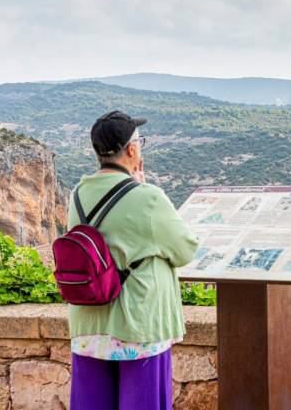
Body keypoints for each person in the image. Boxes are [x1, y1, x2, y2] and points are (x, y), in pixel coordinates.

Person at [68, 110, 198, 410]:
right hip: (139, 325)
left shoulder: (76, 195)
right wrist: (141, 188)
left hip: (88, 324)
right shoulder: (149, 198)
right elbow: (185, 250)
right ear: (131, 149)